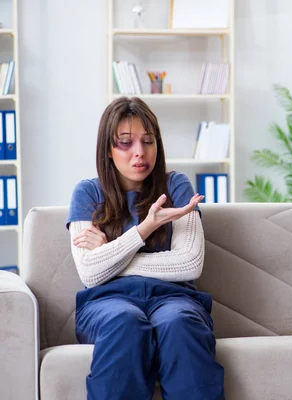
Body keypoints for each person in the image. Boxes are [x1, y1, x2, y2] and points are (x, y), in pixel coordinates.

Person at [66, 96, 225, 400]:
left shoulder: (176, 186)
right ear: (108, 150)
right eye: (125, 142)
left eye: (148, 141)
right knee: (125, 322)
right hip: (106, 302)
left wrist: (110, 253)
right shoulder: (87, 193)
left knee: (179, 323)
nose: (140, 152)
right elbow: (90, 273)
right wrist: (145, 229)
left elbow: (190, 263)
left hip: (175, 299)